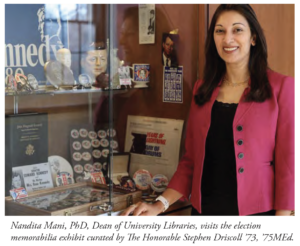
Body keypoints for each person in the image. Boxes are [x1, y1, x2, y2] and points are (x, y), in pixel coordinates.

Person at [122, 4, 294, 216]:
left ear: (254, 38)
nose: (227, 39)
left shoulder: (282, 88)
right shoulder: (202, 90)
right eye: (220, 30)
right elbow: (190, 161)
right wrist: (159, 205)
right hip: (205, 214)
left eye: (237, 30)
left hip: (258, 216)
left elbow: (289, 167)